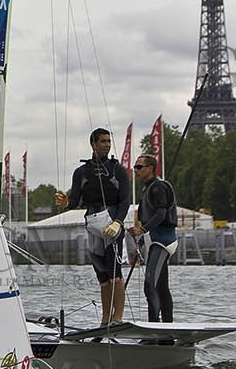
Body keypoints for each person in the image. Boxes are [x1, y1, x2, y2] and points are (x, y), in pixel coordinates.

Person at [55, 127, 129, 327]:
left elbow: (125, 201)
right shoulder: (81, 172)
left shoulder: (118, 170)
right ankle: (105, 319)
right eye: (103, 141)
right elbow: (76, 201)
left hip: (112, 222)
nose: (106, 144)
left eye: (108, 141)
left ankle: (118, 318)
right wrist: (66, 203)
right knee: (102, 276)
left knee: (115, 274)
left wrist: (118, 222)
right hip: (93, 224)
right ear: (93, 144)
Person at [130, 154, 177, 323]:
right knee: (161, 287)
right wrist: (142, 240)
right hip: (155, 240)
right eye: (135, 167)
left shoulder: (158, 187)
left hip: (163, 241)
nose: (135, 170)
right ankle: (167, 328)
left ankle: (155, 328)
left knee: (149, 285)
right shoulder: (149, 188)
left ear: (150, 168)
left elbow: (161, 214)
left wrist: (141, 229)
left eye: (139, 167)